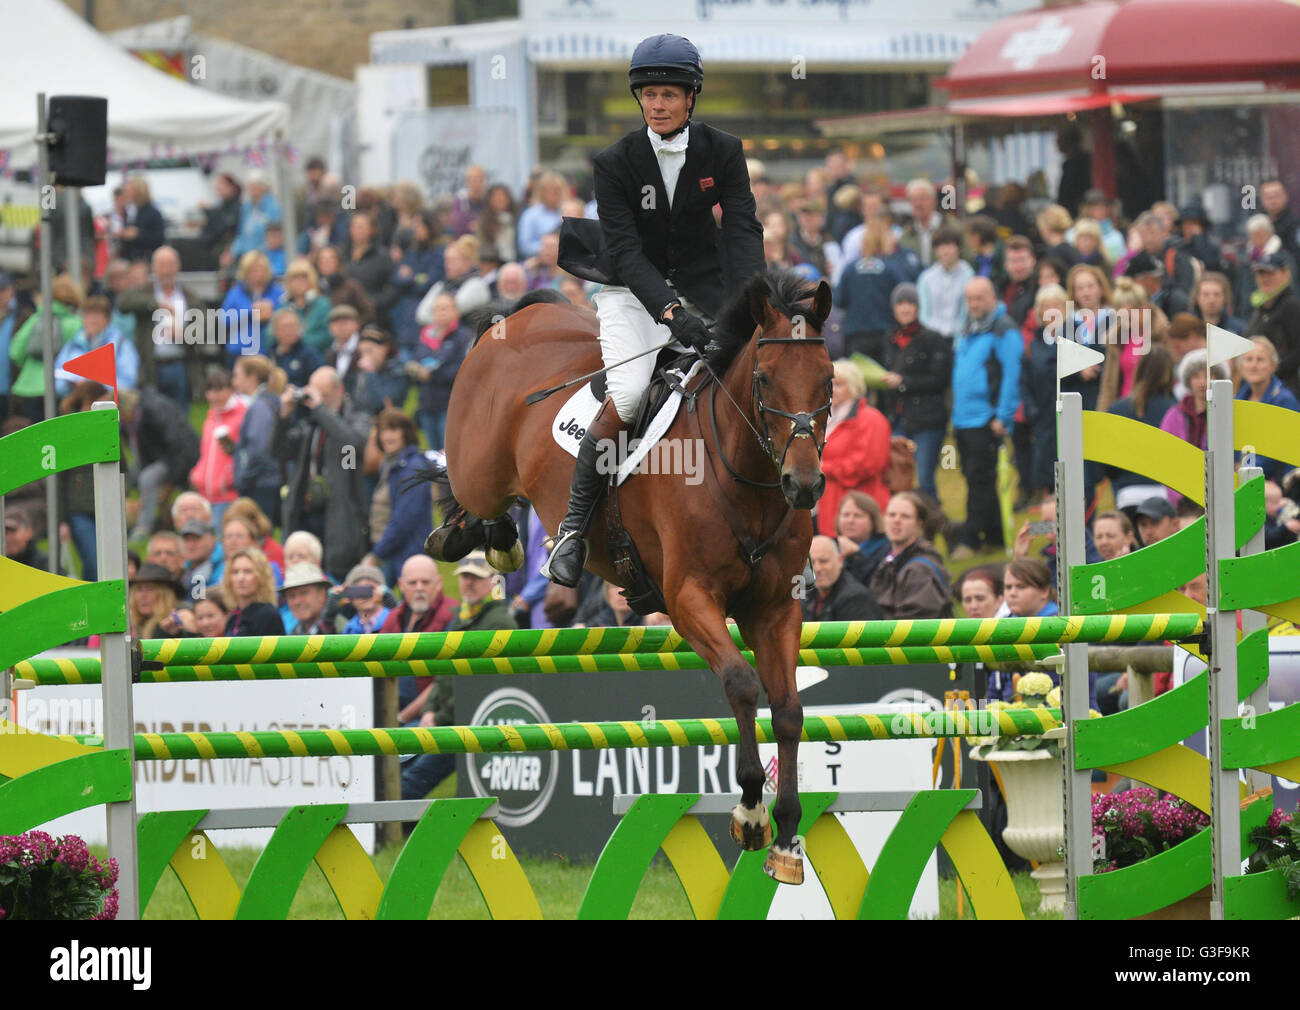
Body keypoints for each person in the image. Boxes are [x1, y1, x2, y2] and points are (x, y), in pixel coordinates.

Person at [542, 33, 764, 587]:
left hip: (706, 286)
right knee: (632, 393)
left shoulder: (724, 151)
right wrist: (669, 311)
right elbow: (623, 251)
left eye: (669, 94)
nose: (658, 105)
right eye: (648, 94)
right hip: (631, 292)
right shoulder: (614, 162)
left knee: (755, 380)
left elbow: (741, 230)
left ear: (692, 98)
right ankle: (572, 528)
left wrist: (748, 305)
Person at [274, 366, 371, 581]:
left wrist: (320, 409)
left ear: (340, 390)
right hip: (307, 515)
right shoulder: (311, 425)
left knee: (339, 582)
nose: (319, 401)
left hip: (341, 520)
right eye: (315, 394)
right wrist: (283, 416)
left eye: (325, 395)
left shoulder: (358, 418)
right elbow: (278, 451)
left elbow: (352, 444)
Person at [949, 277, 1022, 558]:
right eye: (970, 299)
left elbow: (1012, 376)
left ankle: (970, 540)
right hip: (964, 419)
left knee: (979, 480)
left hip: (986, 419)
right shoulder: (969, 328)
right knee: (975, 477)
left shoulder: (1003, 330)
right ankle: (994, 535)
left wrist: (1002, 416)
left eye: (979, 298)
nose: (974, 304)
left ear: (993, 297)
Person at [817, 360, 891, 536]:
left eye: (839, 384)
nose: (832, 389)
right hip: (828, 501)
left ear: (854, 387)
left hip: (861, 503)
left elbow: (867, 464)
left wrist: (822, 468)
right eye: (828, 383)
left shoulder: (871, 419)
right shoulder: (823, 418)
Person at [1103, 346, 1178, 516]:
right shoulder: (1176, 410)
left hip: (1128, 495)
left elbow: (1108, 465)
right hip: (1165, 494)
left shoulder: (1117, 408)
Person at [119, 387, 200, 542]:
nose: (120, 420)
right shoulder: (127, 422)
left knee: (147, 479)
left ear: (129, 410)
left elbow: (180, 447)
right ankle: (120, 522)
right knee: (126, 478)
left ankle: (143, 528)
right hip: (153, 457)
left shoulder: (157, 412)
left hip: (174, 458)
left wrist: (171, 481)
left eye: (121, 416)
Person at [368, 409, 434, 583]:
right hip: (390, 548)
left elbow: (404, 519)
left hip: (407, 552)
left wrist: (377, 554)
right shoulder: (388, 464)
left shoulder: (413, 467)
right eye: (383, 431)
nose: (387, 436)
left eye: (393, 430)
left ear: (406, 433)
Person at [8, 274, 83, 421]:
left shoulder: (36, 319)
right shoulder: (76, 323)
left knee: (36, 438)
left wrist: (31, 367)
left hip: (30, 387)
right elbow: (80, 356)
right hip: (62, 389)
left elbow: (15, 351)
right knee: (59, 437)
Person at [869, 492, 952, 620]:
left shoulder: (921, 570)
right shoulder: (889, 559)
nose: (896, 520)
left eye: (905, 516)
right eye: (891, 515)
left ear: (919, 524)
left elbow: (916, 626)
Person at [837, 217, 907, 361]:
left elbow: (839, 300)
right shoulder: (891, 268)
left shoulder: (850, 269)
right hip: (886, 334)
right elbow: (904, 295)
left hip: (856, 336)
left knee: (858, 381)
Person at [410, 293, 471, 451]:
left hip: (450, 406)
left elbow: (463, 369)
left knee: (449, 454)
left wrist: (432, 373)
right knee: (433, 454)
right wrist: (417, 371)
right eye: (437, 309)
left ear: (456, 312)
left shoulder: (464, 337)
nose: (441, 312)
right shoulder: (425, 335)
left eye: (445, 308)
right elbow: (417, 359)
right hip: (427, 405)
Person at [228, 356, 285, 525]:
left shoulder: (260, 407)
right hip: (264, 481)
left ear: (252, 377)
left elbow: (259, 448)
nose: (234, 382)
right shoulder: (265, 402)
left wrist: (244, 478)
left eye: (237, 376)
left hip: (259, 485)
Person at [1235, 336, 1300, 481]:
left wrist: (1245, 468)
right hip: (1241, 477)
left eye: (1260, 359)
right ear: (1241, 366)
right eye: (1249, 359)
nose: (1254, 365)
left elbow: (1283, 449)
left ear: (1273, 366)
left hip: (1278, 481)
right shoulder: (1237, 402)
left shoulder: (1285, 400)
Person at [53, 295, 139, 398]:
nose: (92, 320)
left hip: (108, 408)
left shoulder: (121, 344)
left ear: (107, 319)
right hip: (78, 407)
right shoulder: (73, 344)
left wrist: (95, 387)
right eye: (88, 315)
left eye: (97, 315)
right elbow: (58, 378)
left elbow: (128, 381)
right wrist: (70, 386)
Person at [1244, 251, 1300, 397]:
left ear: (1285, 274)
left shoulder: (1291, 306)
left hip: (1284, 389)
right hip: (1260, 388)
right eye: (1261, 274)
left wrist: (1271, 370)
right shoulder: (1262, 307)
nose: (1265, 278)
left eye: (1270, 273)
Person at [390, 209, 445, 357]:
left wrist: (411, 276)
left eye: (419, 225)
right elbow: (397, 279)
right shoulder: (411, 252)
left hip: (425, 315)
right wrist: (417, 277)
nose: (416, 230)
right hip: (405, 318)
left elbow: (430, 281)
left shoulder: (439, 252)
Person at [220, 252, 283, 366]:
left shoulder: (278, 292)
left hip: (269, 351)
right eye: (252, 269)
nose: (257, 273)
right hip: (240, 352)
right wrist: (250, 312)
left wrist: (272, 313)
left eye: (260, 269)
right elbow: (223, 320)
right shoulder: (235, 293)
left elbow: (288, 315)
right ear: (245, 272)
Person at [801, 535, 881, 621]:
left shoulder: (856, 599)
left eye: (824, 561)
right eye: (811, 563)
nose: (817, 568)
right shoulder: (805, 596)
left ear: (840, 561)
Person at [917, 227, 973, 339]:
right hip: (932, 337)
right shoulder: (926, 278)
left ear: (958, 248)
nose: (945, 251)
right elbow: (923, 312)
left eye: (949, 246)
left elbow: (967, 311)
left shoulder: (968, 275)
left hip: (960, 336)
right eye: (941, 247)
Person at [220, 545, 285, 636]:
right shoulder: (233, 618)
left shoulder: (268, 615)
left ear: (261, 576)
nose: (240, 578)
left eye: (248, 571)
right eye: (235, 572)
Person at [834, 490, 891, 589]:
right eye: (845, 515)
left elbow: (871, 585)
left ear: (873, 521)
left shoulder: (887, 549)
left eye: (858, 515)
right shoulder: (832, 547)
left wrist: (856, 556)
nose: (850, 520)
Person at [227, 169, 282, 268]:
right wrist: (232, 251)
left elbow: (274, 238)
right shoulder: (246, 207)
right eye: (249, 186)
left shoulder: (274, 207)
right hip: (245, 256)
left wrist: (256, 255)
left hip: (265, 257)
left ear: (263, 186)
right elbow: (241, 234)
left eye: (254, 186)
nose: (251, 189)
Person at [350, 326, 408, 417]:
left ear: (384, 348)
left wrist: (370, 373)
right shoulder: (359, 369)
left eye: (369, 351)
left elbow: (382, 404)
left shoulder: (398, 370)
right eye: (362, 353)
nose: (365, 357)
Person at [280, 258, 333, 355]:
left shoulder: (323, 305)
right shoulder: (283, 307)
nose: (299, 282)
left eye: (304, 278)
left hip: (317, 357)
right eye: (295, 278)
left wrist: (296, 342)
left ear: (311, 279)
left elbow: (328, 335)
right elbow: (272, 335)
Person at [117, 176, 166, 263]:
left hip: (145, 260)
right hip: (128, 261)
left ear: (139, 191)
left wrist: (138, 235)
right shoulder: (129, 210)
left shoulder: (153, 213)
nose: (126, 192)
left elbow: (159, 238)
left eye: (130, 189)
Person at [128, 563, 184, 640]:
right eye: (139, 589)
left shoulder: (178, 623)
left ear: (165, 596)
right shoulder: (130, 626)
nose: (143, 595)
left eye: (150, 589)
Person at [269, 308, 321, 391]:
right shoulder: (270, 353)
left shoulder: (308, 355)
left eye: (293, 326)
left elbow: (317, 385)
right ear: (275, 330)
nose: (290, 331)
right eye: (285, 327)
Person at [1190, 272, 1246, 337]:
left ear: (1225, 297)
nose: (1211, 300)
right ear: (1197, 297)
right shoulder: (1187, 327)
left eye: (1217, 294)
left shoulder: (1239, 329)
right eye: (1206, 295)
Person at [1000, 236, 1037, 327]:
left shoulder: (1040, 289)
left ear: (1033, 260)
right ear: (1006, 264)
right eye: (1013, 261)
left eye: (1022, 260)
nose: (1018, 267)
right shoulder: (999, 287)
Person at [179, 519, 219, 602]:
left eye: (196, 539)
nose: (190, 545)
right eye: (186, 540)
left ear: (212, 540)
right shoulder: (183, 569)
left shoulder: (223, 566)